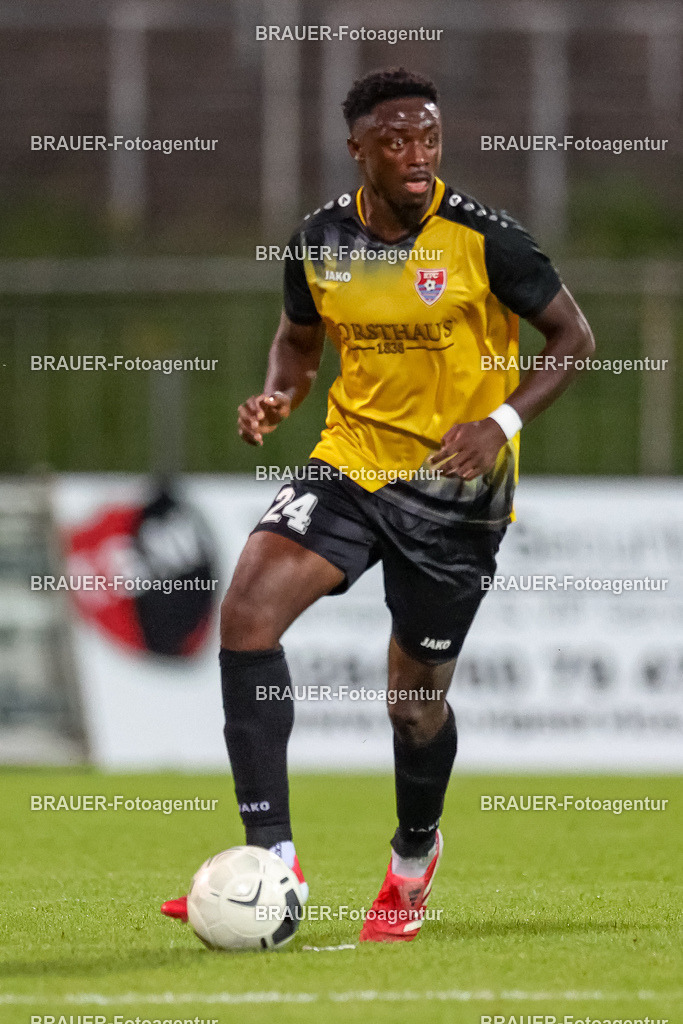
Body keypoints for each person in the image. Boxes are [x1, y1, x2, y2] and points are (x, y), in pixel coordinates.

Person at [162, 67, 594, 942]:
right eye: (394, 139)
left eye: (427, 137)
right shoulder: (320, 241)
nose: (414, 154)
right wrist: (280, 394)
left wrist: (499, 421)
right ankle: (272, 864)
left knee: (413, 704)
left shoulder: (484, 240)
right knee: (246, 612)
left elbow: (573, 337)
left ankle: (411, 859)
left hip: (454, 494)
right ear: (356, 147)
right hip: (349, 467)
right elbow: (297, 338)